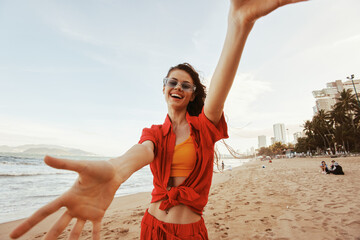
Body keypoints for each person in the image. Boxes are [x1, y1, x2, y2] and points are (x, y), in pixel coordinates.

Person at [9, 0, 307, 239]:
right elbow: (140, 154)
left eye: (186, 85)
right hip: (151, 227)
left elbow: (219, 89)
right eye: (172, 82)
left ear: (192, 95)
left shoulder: (205, 126)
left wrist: (239, 24)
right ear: (163, 88)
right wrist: (115, 170)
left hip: (190, 232)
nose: (178, 87)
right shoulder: (153, 132)